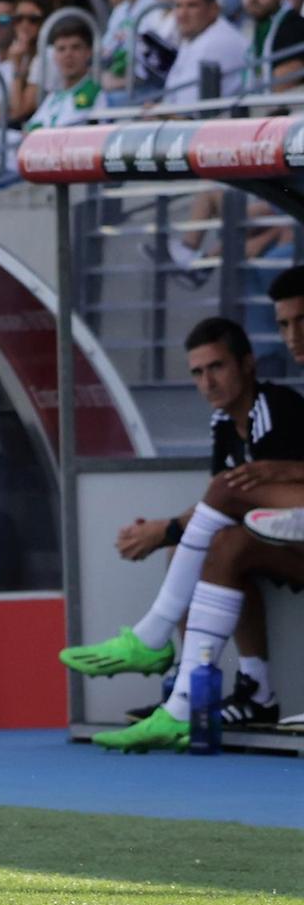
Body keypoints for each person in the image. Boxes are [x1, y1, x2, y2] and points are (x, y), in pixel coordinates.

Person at [65, 315, 304, 750]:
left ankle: (160, 650)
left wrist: (167, 529)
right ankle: (236, 691)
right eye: (197, 372)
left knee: (209, 527)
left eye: (217, 367)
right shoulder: (221, 423)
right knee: (213, 542)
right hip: (278, 538)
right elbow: (226, 506)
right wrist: (170, 531)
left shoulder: (276, 407)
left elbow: (241, 497)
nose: (207, 382)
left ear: (247, 364)